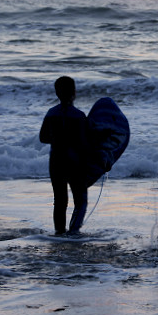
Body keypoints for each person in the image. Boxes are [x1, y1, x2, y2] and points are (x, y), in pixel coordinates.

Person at [40, 76, 89, 235]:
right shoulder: (79, 116)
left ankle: (59, 233)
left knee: (60, 201)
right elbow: (85, 143)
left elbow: (43, 137)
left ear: (56, 93)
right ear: (74, 92)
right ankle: (74, 232)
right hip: (75, 162)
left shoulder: (51, 113)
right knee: (79, 200)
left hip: (56, 161)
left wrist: (57, 139)